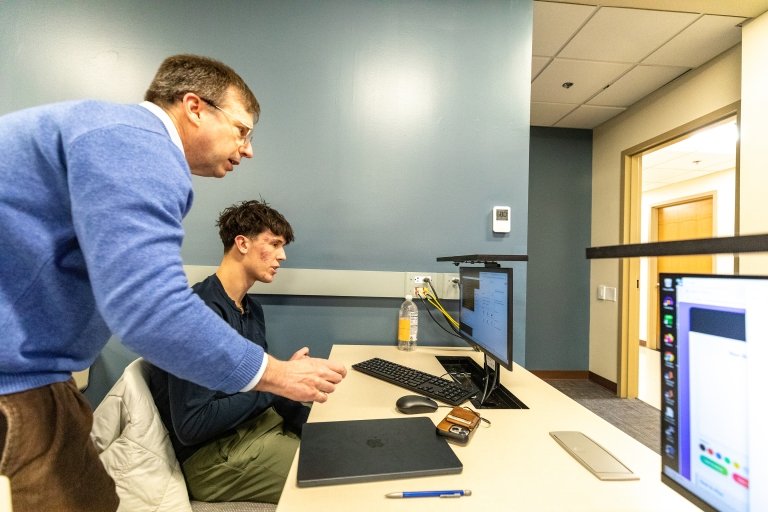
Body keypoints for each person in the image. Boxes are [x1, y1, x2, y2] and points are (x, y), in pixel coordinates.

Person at [0, 55, 346, 512]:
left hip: (36, 378)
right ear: (194, 107)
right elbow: (149, 309)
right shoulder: (138, 144)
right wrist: (276, 375)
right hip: (18, 388)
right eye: (242, 130)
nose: (248, 149)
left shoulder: (109, 136)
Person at [150, 199, 308, 503]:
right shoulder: (199, 315)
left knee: (339, 450)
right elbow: (192, 425)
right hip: (212, 459)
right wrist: (278, 385)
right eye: (274, 244)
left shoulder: (251, 309)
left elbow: (263, 390)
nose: (282, 255)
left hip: (256, 429)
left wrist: (311, 423)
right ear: (242, 243)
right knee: (331, 479)